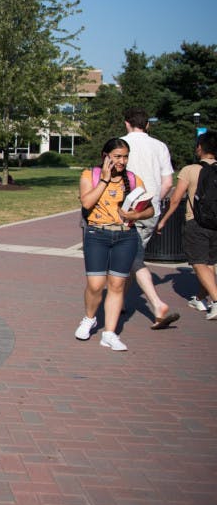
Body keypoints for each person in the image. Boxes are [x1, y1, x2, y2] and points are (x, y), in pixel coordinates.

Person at [75, 138, 155, 351]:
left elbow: (150, 210)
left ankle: (109, 333)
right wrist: (104, 180)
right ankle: (89, 318)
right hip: (96, 234)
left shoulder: (133, 179)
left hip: (125, 236)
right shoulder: (89, 175)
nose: (122, 161)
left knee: (117, 285)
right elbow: (86, 203)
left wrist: (136, 214)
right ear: (105, 156)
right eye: (117, 156)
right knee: (95, 285)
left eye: (125, 156)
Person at [121, 107, 179, 329]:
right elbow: (168, 183)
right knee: (129, 257)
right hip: (151, 209)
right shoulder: (160, 146)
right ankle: (120, 301)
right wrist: (154, 202)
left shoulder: (119, 144)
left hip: (126, 210)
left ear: (127, 123)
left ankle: (157, 304)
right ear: (147, 124)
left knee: (131, 258)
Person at [156, 131, 217, 320]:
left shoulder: (190, 170)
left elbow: (175, 200)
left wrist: (164, 220)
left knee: (198, 263)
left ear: (200, 148)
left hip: (196, 222)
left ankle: (216, 300)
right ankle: (200, 298)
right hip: (216, 224)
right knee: (210, 263)